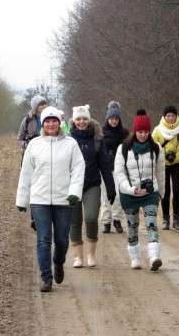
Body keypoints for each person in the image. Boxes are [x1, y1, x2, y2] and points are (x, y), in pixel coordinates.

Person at [16, 106, 85, 292]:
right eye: (47, 121)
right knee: (43, 239)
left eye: (54, 121)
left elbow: (78, 170)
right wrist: (22, 200)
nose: (51, 124)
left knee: (62, 240)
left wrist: (74, 193)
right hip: (40, 200)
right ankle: (46, 278)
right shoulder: (34, 145)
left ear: (59, 123)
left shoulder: (70, 144)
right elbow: (26, 173)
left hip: (64, 200)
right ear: (43, 124)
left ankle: (58, 261)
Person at [114, 109, 165, 271]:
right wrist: (130, 189)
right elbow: (119, 174)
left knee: (151, 223)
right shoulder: (123, 149)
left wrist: (161, 193)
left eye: (145, 132)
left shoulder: (156, 148)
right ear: (134, 131)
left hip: (150, 194)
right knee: (132, 225)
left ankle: (154, 257)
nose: (142, 135)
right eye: (140, 132)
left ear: (149, 132)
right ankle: (135, 257)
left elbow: (160, 172)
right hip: (129, 194)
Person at [69, 104, 116, 268]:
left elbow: (104, 164)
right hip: (72, 187)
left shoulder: (97, 139)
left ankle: (91, 254)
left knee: (90, 218)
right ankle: (77, 257)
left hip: (92, 184)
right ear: (73, 121)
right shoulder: (67, 139)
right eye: (78, 119)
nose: (81, 122)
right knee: (74, 221)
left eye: (84, 119)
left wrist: (110, 186)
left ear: (88, 120)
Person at [152, 105, 179, 230]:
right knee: (165, 192)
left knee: (176, 191)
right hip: (162, 164)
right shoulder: (158, 130)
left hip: (177, 164)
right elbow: (152, 149)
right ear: (164, 117)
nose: (170, 118)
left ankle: (176, 218)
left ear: (176, 116)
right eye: (168, 116)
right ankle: (165, 219)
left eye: (173, 116)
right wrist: (151, 167)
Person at [17, 95, 48, 231]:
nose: (43, 107)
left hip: (46, 157)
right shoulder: (27, 120)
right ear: (35, 107)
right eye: (40, 105)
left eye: (44, 104)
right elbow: (19, 138)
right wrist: (27, 145)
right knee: (32, 186)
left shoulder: (51, 118)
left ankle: (44, 213)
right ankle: (35, 217)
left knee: (44, 185)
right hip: (30, 158)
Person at [100, 101, 129, 233]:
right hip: (105, 168)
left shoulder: (124, 133)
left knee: (118, 194)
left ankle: (117, 220)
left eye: (116, 118)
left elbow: (129, 150)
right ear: (107, 119)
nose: (113, 121)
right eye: (111, 118)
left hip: (119, 168)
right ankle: (106, 221)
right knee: (105, 196)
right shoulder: (100, 132)